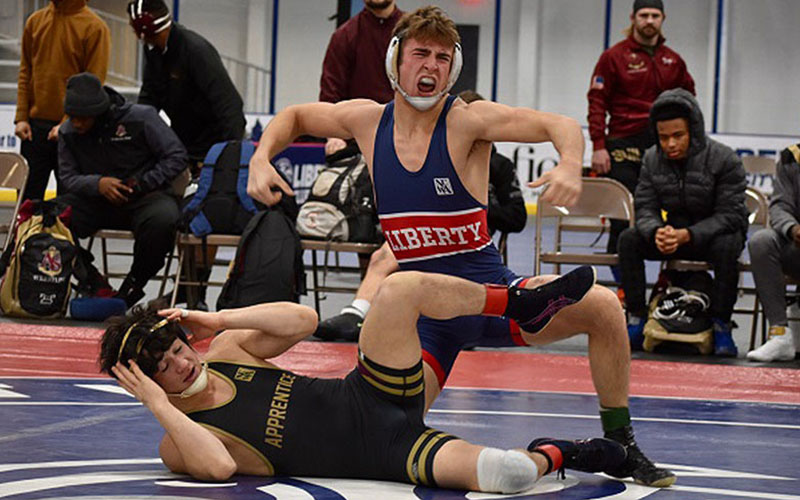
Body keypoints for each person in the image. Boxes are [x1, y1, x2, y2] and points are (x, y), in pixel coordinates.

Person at [247, 6, 675, 488]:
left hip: (497, 301)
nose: (431, 66)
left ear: (454, 68)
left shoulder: (467, 122)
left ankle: (623, 444)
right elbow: (297, 114)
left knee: (602, 307)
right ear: (395, 60)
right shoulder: (367, 122)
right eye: (420, 54)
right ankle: (563, 454)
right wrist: (263, 157)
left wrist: (570, 165)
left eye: (443, 58)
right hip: (425, 328)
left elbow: (556, 124)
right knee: (376, 434)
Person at [101, 266, 627, 491]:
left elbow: (303, 322)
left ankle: (520, 303)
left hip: (372, 390)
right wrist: (157, 405)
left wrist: (218, 320)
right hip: (392, 451)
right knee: (509, 475)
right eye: (164, 368)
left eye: (176, 349)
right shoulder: (179, 442)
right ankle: (563, 452)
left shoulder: (225, 349)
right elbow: (217, 468)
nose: (182, 364)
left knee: (397, 290)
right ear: (146, 384)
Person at [315, 89, 527, 342]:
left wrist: (470, 203)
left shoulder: (500, 165)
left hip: (468, 235)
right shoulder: (429, 150)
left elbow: (517, 217)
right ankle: (356, 313)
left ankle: (461, 319)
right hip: (421, 229)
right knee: (384, 254)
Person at [127, 0, 247, 310]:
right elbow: (148, 102)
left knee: (204, 218)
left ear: (156, 27)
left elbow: (230, 106)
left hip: (216, 147)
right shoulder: (154, 51)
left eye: (147, 36)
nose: (145, 43)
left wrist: (228, 158)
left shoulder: (195, 50)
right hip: (183, 148)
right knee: (184, 217)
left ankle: (197, 294)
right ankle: (187, 290)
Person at [617, 88, 748, 356]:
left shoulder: (724, 158)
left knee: (729, 244)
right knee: (628, 239)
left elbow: (731, 215)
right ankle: (637, 318)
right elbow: (645, 207)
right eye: (663, 137)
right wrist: (655, 231)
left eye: (678, 136)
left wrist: (688, 234)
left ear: (693, 131)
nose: (670, 144)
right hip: (672, 234)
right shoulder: (652, 158)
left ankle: (721, 324)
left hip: (712, 237)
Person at [58, 73, 187, 307]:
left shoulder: (142, 117)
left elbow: (176, 156)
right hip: (97, 200)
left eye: (83, 118)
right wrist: (97, 184)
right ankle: (93, 281)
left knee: (164, 220)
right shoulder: (67, 132)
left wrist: (144, 182)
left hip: (145, 196)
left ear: (98, 112)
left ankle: (133, 286)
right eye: (72, 117)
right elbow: (68, 178)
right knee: (51, 218)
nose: (77, 123)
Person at [587, 0, 694, 276]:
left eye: (655, 16)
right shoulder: (613, 57)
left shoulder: (674, 60)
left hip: (663, 145)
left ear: (663, 19)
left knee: (679, 214)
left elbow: (690, 101)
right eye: (644, 15)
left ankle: (671, 285)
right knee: (624, 218)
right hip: (622, 145)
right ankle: (623, 289)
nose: (649, 20)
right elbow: (597, 102)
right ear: (634, 18)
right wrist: (599, 146)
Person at [14, 0, 110, 202]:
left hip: (75, 132)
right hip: (34, 131)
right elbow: (26, 72)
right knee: (26, 205)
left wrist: (67, 122)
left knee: (69, 207)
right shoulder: (35, 22)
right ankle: (24, 235)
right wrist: (21, 117)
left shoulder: (95, 28)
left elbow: (93, 84)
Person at [320, 0, 404, 155]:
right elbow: (330, 93)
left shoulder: (413, 33)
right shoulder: (344, 36)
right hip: (356, 143)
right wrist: (333, 137)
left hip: (407, 139)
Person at [746, 146, 800, 362]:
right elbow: (779, 207)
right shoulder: (792, 158)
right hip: (797, 246)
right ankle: (780, 335)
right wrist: (793, 228)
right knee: (761, 241)